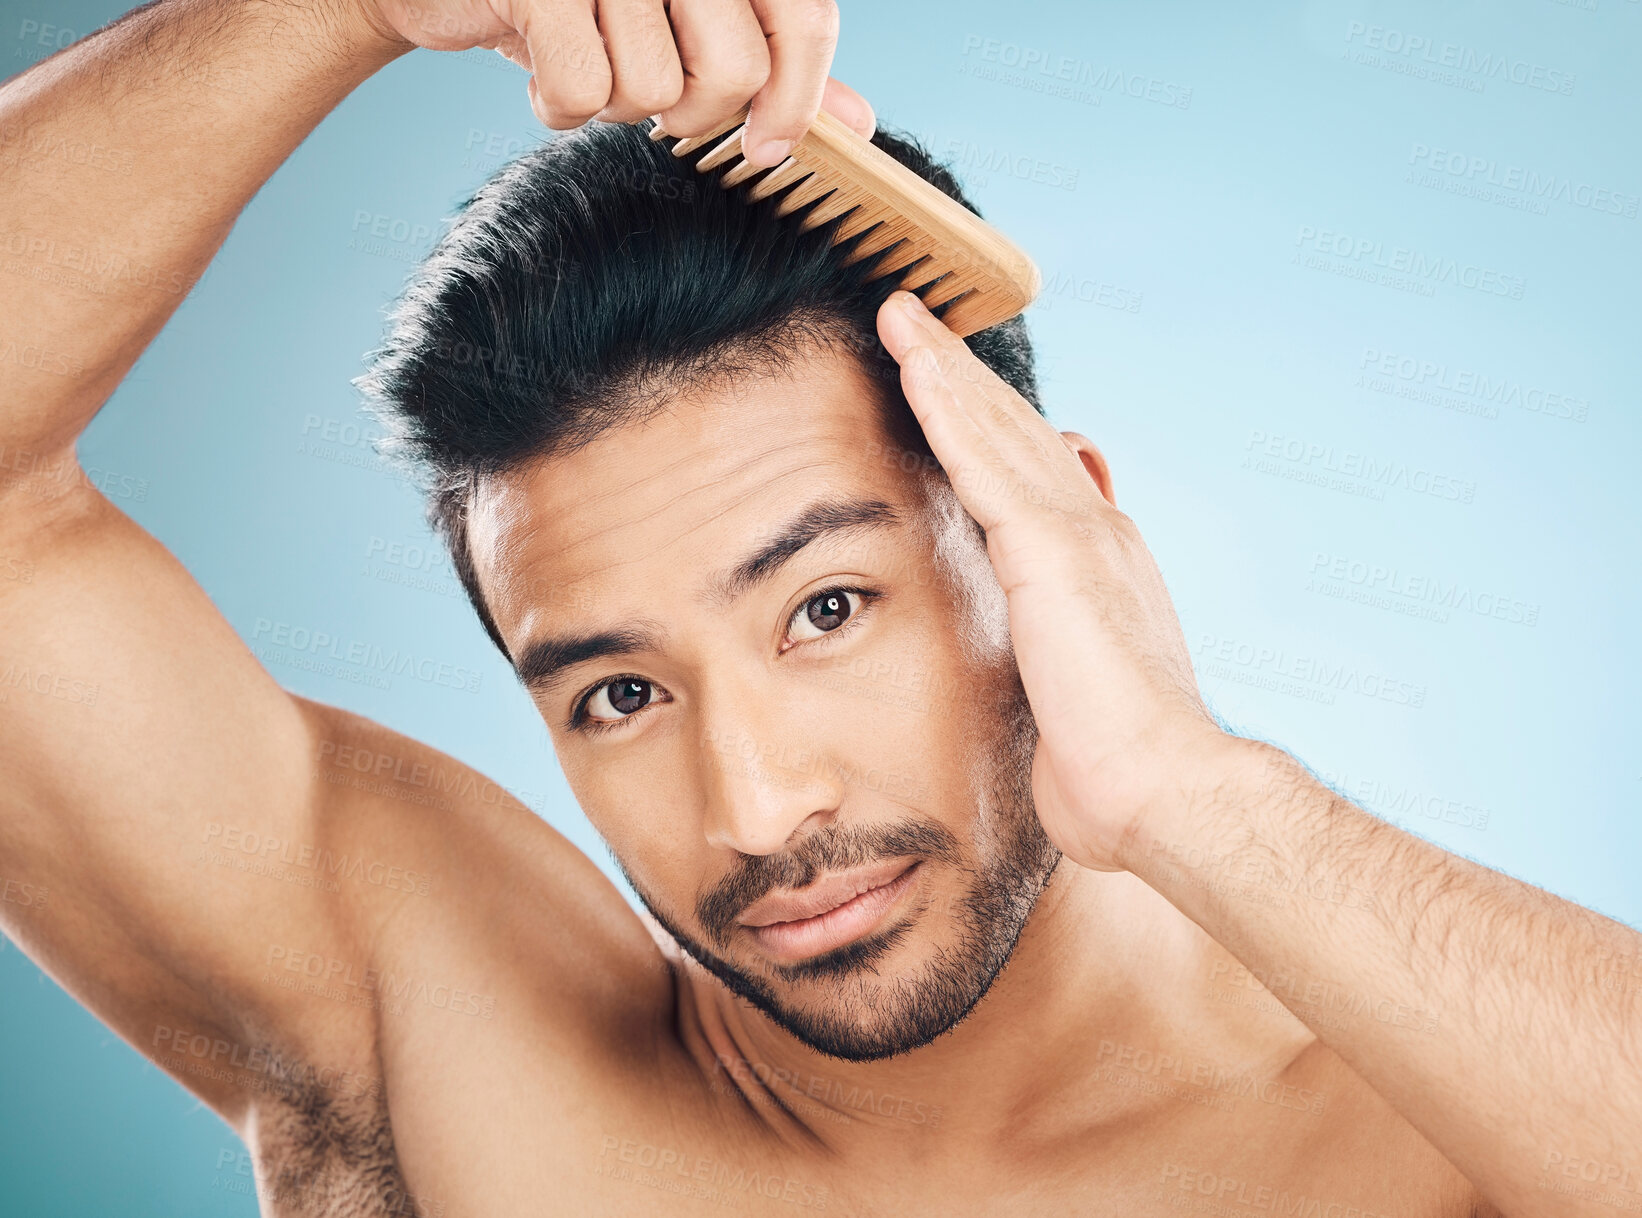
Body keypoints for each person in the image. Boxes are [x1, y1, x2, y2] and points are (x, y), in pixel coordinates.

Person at [1, 1, 1636, 1214]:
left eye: (826, 605)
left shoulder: (1434, 1144)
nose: (758, 807)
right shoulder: (432, 1038)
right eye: (619, 692)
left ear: (1051, 538)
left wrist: (1188, 792)